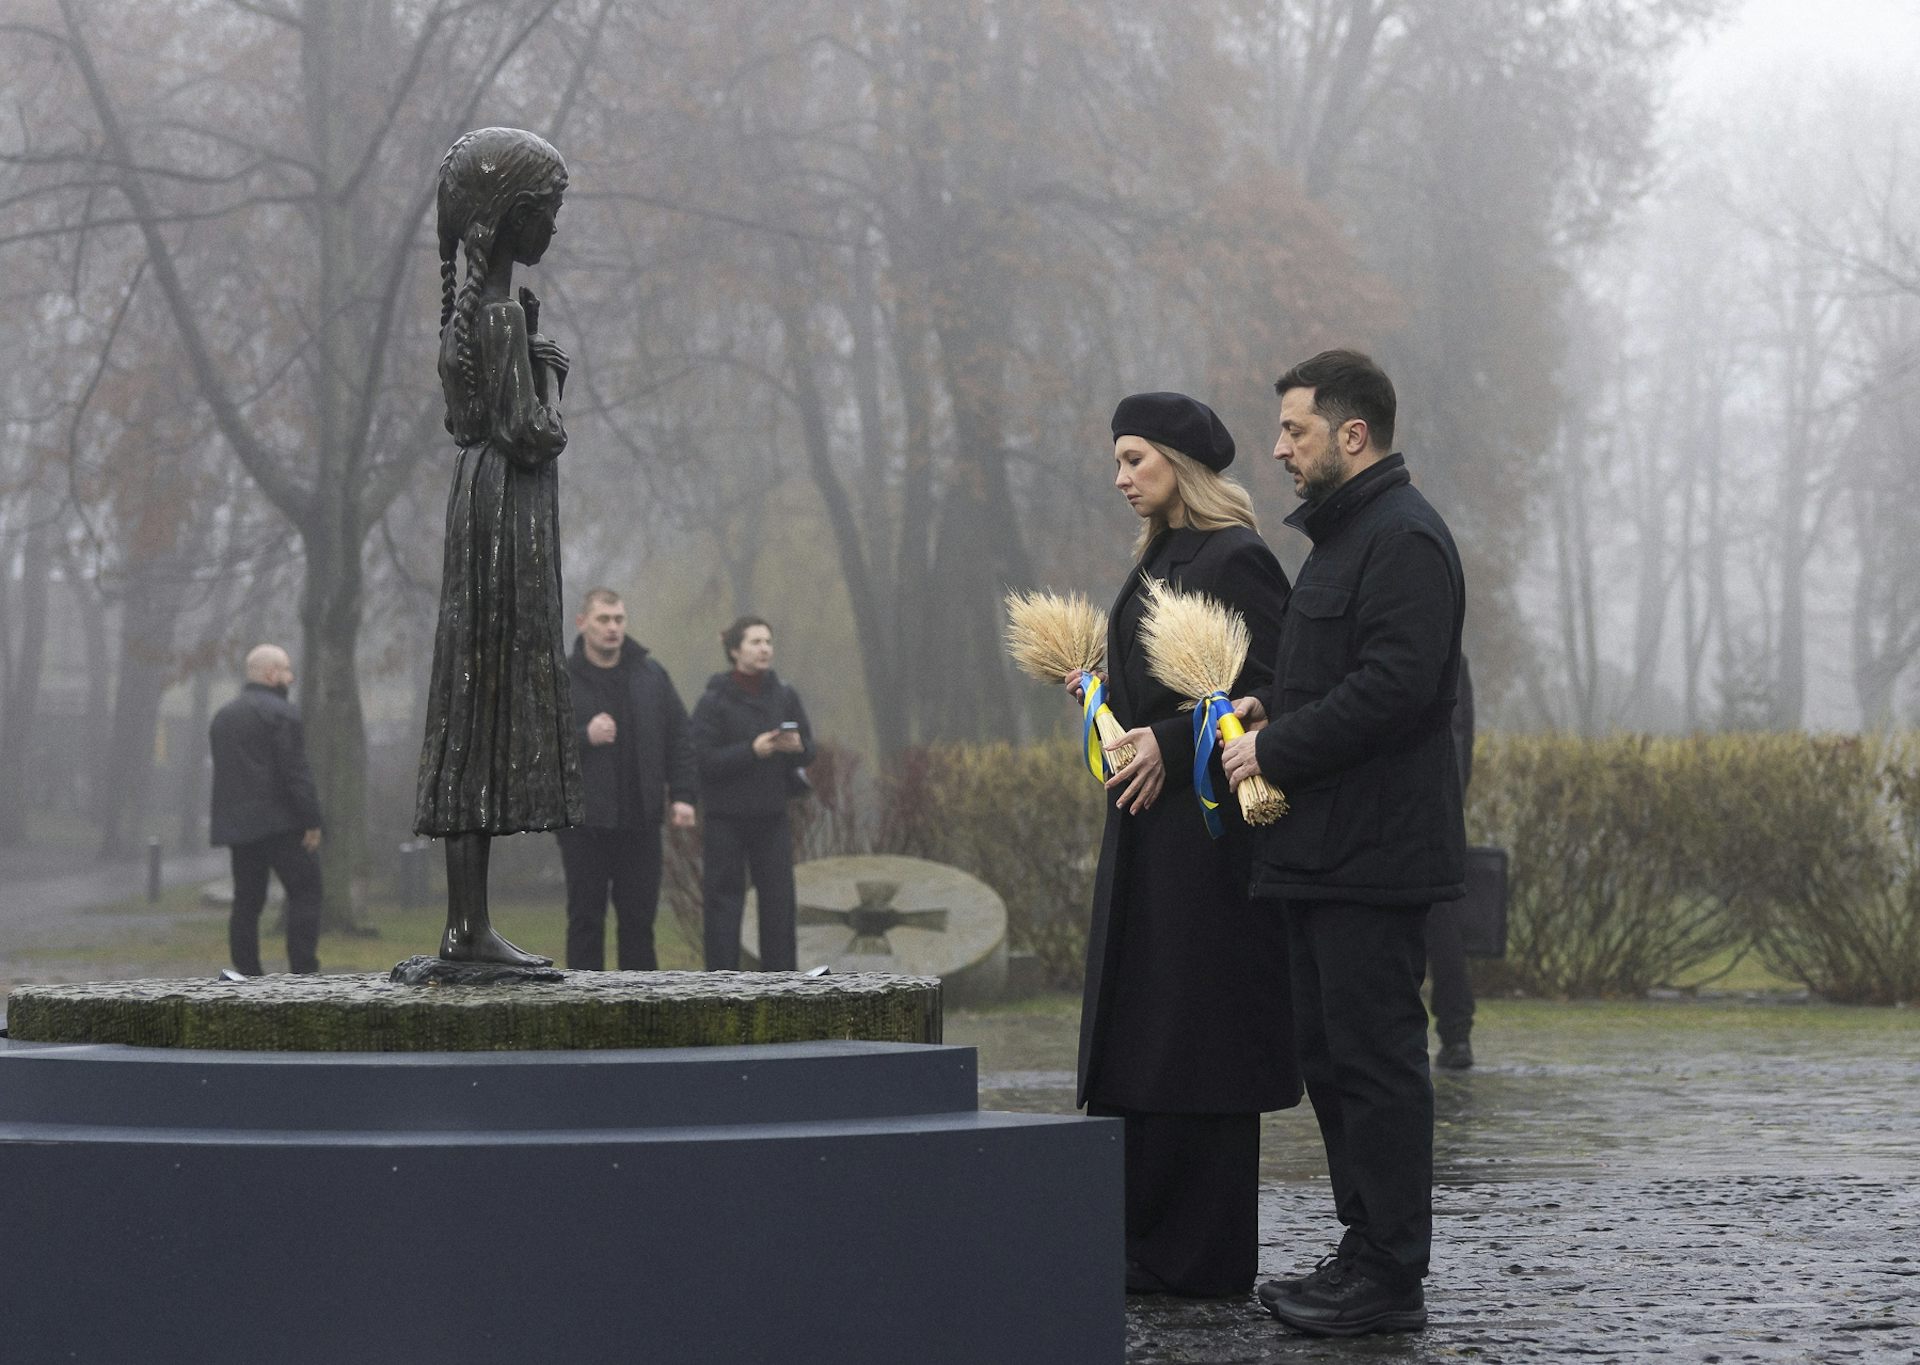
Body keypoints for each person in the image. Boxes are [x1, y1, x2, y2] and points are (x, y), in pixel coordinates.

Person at [1221, 350, 1466, 1337]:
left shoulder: (1404, 539)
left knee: (1376, 1063)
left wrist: (1275, 746)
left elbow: (1399, 686)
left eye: (1295, 431)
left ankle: (1392, 1274)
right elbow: (1340, 677)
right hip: (1325, 856)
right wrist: (1268, 703)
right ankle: (1363, 1248)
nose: (1278, 449)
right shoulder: (1347, 538)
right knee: (1333, 1061)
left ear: (1351, 435)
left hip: (1373, 856)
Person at [1070, 392, 1300, 1299]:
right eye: (1118, 461)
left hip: (1205, 849)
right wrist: (1103, 706)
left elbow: (1280, 684)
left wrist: (1167, 743)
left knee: (1195, 1039)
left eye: (1136, 459)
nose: (1122, 477)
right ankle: (1147, 1241)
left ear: (1180, 463)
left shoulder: (1232, 554)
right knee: (1149, 1035)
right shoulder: (1161, 554)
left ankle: (1197, 1254)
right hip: (1150, 837)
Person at [414, 127, 584, 967]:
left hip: (474, 506)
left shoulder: (469, 320)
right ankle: (469, 931)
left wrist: (530, 346)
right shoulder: (501, 319)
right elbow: (532, 432)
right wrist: (549, 373)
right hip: (507, 518)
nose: (552, 226)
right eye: (545, 211)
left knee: (468, 701)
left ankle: (464, 923)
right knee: (487, 700)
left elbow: (466, 421)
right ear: (508, 216)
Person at [559, 587, 698, 971]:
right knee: (586, 920)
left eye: (619, 619)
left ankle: (642, 1011)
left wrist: (684, 796)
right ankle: (583, 1008)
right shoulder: (562, 678)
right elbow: (536, 742)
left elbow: (680, 736)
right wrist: (585, 734)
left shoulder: (651, 675)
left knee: (639, 923)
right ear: (582, 623)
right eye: (604, 619)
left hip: (641, 820)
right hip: (584, 823)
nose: (612, 628)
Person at [691, 616, 814, 971]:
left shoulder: (785, 695)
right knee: (723, 907)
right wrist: (751, 750)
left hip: (772, 816)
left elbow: (809, 751)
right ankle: (721, 987)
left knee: (778, 906)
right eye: (755, 642)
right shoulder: (713, 700)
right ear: (734, 650)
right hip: (725, 819)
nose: (765, 649)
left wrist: (796, 746)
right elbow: (701, 758)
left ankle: (782, 988)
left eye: (768, 642)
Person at [208, 644, 323, 976]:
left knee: (246, 902)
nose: (291, 676)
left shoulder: (224, 718)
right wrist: (311, 820)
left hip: (240, 829)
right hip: (283, 825)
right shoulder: (283, 714)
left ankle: (246, 972)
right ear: (272, 674)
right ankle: (304, 970)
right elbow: (295, 772)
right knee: (306, 892)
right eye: (287, 669)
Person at [1427, 654, 1477, 1069]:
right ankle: (1456, 1032)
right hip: (1439, 811)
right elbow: (1465, 740)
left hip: (1418, 813)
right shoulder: (1453, 662)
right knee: (1444, 929)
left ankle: (1456, 1031)